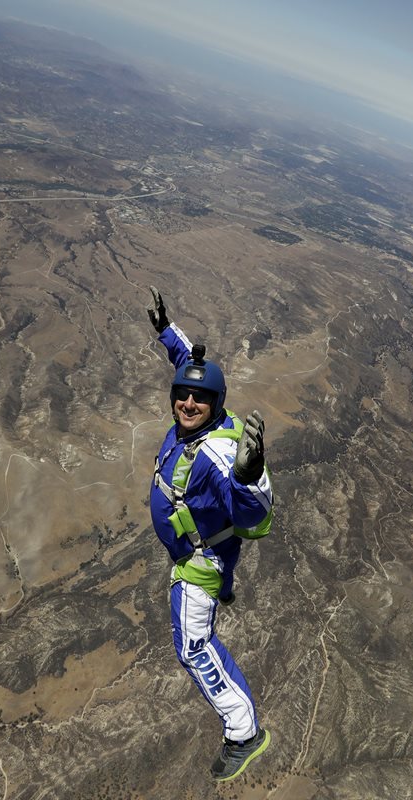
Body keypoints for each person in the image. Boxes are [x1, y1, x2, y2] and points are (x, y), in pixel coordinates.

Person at [146, 286, 274, 781]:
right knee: (193, 642)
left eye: (200, 398)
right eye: (182, 395)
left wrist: (245, 478)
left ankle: (243, 735)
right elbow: (190, 367)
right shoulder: (194, 416)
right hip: (198, 553)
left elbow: (258, 521)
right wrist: (166, 331)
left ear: (217, 404)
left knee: (194, 647)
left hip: (200, 564)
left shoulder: (222, 454)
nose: (189, 402)